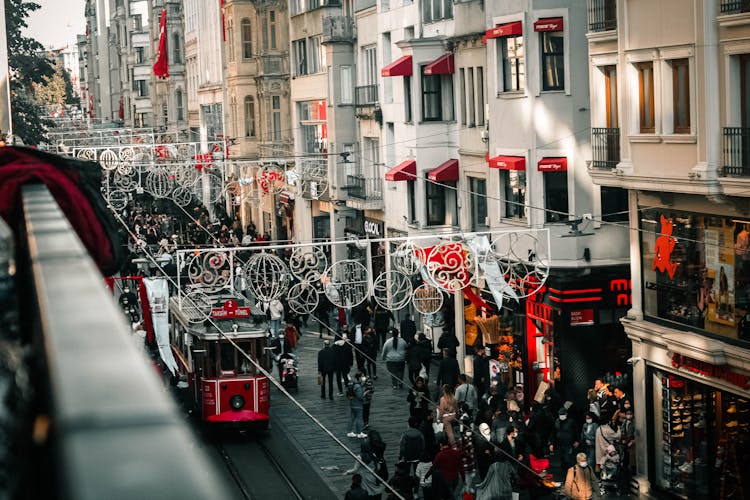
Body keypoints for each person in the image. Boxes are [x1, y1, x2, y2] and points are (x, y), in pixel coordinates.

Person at [425, 433, 463, 499]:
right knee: (452, 493)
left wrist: (427, 475)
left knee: (449, 495)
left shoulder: (439, 455)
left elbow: (434, 467)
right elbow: (461, 467)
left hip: (446, 478)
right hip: (455, 478)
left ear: (441, 445)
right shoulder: (456, 453)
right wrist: (463, 478)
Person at [550, 407, 578, 472]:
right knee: (561, 459)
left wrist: (577, 440)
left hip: (568, 443)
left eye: (562, 414)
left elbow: (576, 431)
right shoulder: (557, 421)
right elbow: (553, 433)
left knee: (567, 459)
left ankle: (568, 472)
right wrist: (551, 443)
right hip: (559, 443)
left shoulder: (571, 421)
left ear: (566, 414)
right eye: (560, 415)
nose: (561, 416)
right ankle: (564, 472)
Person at [347, 372, 367, 438]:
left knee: (352, 418)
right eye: (362, 376)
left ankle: (349, 432)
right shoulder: (358, 386)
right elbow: (360, 396)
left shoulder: (352, 383)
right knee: (359, 418)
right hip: (358, 404)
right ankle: (359, 433)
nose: (364, 378)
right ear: (359, 377)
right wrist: (365, 393)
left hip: (352, 403)